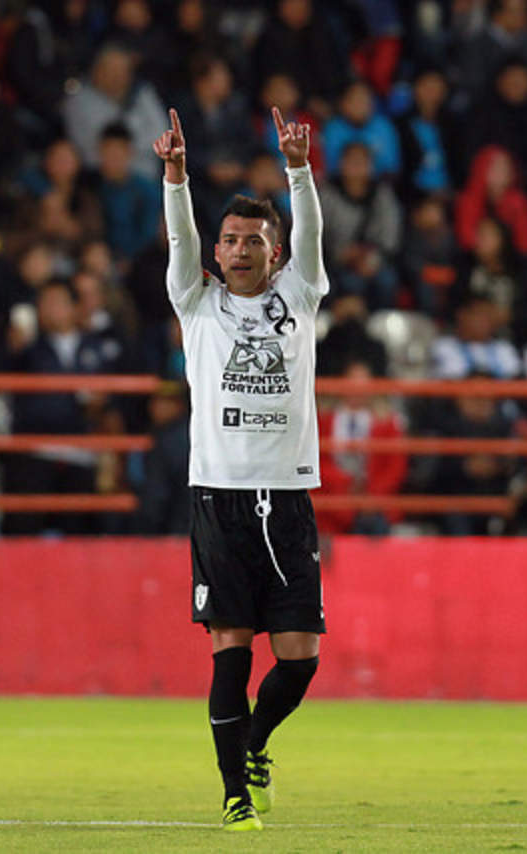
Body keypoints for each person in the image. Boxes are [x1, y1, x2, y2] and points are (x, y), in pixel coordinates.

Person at [154, 106, 326, 831]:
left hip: (286, 498)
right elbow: (179, 237)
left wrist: (298, 170)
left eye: (253, 240)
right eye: (228, 240)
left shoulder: (300, 295)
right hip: (219, 500)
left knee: (300, 658)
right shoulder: (196, 305)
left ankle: (254, 743)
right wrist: (176, 177)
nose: (239, 249)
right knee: (230, 650)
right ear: (216, 252)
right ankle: (234, 796)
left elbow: (311, 233)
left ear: (276, 253)